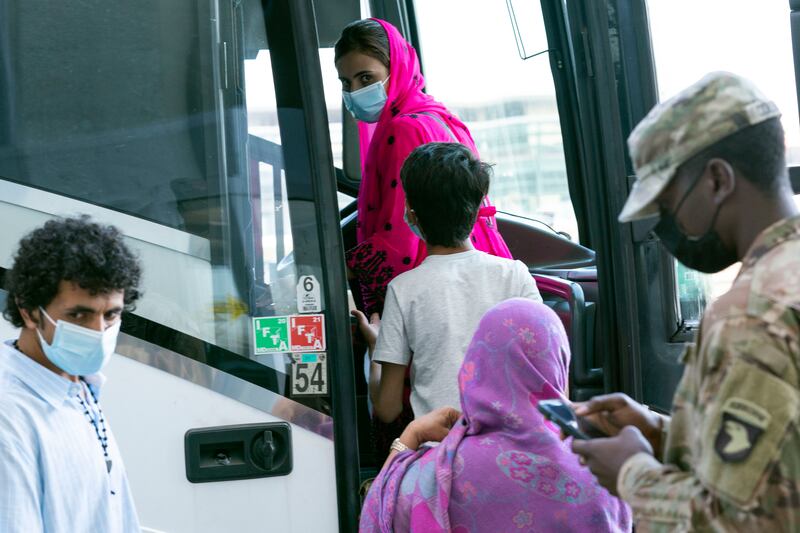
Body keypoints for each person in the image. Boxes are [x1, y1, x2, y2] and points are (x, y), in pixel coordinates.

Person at [569, 72, 800, 531]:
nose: (663, 226)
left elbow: (748, 523)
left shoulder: (750, 317)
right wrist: (664, 434)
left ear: (717, 179)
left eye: (668, 202)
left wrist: (633, 475)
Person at [360, 299, 632, 532]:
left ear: (475, 367)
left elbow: (378, 515)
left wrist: (412, 435)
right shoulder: (605, 469)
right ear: (558, 364)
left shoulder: (436, 474)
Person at [353, 142, 542, 424]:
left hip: (441, 455)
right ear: (478, 207)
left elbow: (387, 408)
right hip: (509, 450)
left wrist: (374, 345)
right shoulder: (515, 275)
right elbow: (542, 369)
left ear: (411, 212)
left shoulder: (403, 290)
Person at [334, 18, 511, 316]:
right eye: (346, 82)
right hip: (472, 284)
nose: (354, 91)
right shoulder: (437, 116)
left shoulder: (402, 130)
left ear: (397, 69)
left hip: (435, 299)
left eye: (366, 78)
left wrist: (336, 269)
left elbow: (399, 234)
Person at [0, 216, 142, 532]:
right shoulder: (9, 416)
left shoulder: (79, 387)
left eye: (111, 314)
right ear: (29, 310)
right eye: (79, 315)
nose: (99, 331)